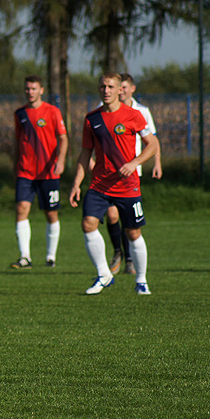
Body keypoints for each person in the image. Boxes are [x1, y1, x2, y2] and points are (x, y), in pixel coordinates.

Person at [69, 73, 158, 296]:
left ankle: (141, 280)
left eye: (110, 86)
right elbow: (85, 154)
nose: (106, 90)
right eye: (102, 86)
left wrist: (135, 162)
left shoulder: (134, 115)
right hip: (100, 185)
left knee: (133, 232)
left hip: (128, 186)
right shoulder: (91, 118)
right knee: (88, 224)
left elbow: (152, 144)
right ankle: (104, 275)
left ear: (120, 90)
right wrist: (76, 184)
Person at [104, 73, 163, 276]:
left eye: (125, 87)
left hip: (131, 173)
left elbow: (152, 140)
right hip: (108, 175)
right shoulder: (104, 109)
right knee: (112, 214)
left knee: (129, 222)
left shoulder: (142, 111)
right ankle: (118, 251)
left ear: (131, 88)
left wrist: (157, 162)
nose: (122, 91)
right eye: (121, 87)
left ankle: (129, 259)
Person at [10, 75, 68, 269]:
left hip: (48, 172)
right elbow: (18, 142)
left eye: (34, 88)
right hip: (25, 171)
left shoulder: (52, 112)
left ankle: (51, 256)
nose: (30, 92)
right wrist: (15, 164)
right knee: (21, 210)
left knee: (51, 214)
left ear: (41, 90)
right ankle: (24, 256)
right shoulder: (20, 113)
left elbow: (63, 138)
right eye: (27, 89)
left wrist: (60, 160)